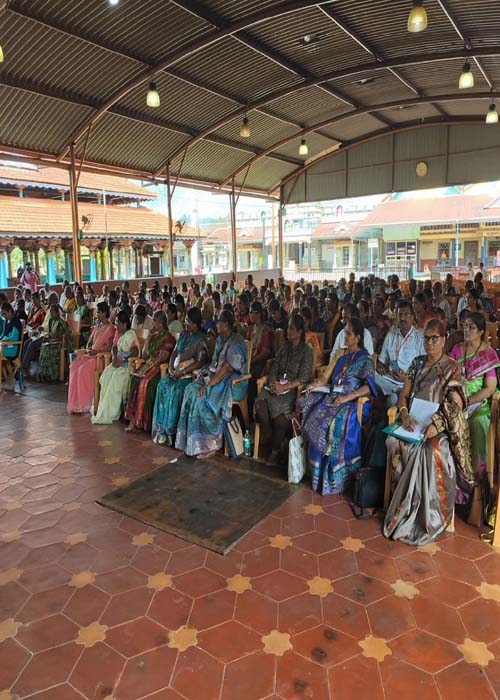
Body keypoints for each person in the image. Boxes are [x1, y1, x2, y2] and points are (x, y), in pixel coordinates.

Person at [383, 319, 474, 546]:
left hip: (438, 426)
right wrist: (404, 414)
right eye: (426, 338)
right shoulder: (417, 363)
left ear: (444, 340)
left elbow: (455, 405)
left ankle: (429, 515)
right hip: (413, 422)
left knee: (431, 451)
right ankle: (401, 506)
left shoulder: (452, 368)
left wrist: (436, 425)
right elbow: (404, 394)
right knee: (393, 441)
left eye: (435, 338)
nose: (430, 343)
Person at [300, 317, 376, 495]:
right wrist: (313, 385)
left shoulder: (365, 359)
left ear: (357, 338)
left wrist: (347, 397)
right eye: (345, 332)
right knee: (310, 409)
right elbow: (325, 378)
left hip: (353, 402)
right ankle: (316, 473)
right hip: (333, 395)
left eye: (348, 334)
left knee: (336, 424)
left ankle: (336, 479)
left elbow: (368, 387)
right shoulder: (340, 355)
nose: (345, 336)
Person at [175, 309, 248, 459]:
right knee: (190, 389)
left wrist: (208, 386)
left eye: (219, 322)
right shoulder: (220, 339)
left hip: (232, 381)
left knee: (203, 398)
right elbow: (214, 364)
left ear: (226, 325)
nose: (216, 324)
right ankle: (190, 441)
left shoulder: (236, 342)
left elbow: (227, 369)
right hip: (216, 377)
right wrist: (204, 375)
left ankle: (211, 444)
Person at [449, 312, 499, 520]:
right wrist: (457, 398)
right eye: (465, 326)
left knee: (478, 426)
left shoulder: (489, 355)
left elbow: (490, 388)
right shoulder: (457, 349)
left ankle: (476, 490)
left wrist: (469, 402)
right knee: (448, 424)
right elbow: (449, 377)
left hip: (478, 405)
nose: (467, 330)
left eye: (471, 327)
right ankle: (451, 489)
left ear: (480, 332)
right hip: (456, 400)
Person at [254, 314, 313, 467]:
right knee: (260, 405)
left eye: (291, 328)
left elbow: (304, 377)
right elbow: (274, 367)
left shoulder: (306, 351)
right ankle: (271, 439)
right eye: (288, 327)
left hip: (291, 390)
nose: (288, 330)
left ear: (299, 332)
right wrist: (273, 383)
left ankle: (274, 451)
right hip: (276, 386)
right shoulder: (284, 347)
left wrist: (285, 387)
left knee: (281, 419)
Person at [152, 307, 210, 445]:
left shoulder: (201, 339)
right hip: (175, 371)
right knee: (162, 385)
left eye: (188, 322)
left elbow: (199, 362)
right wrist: (171, 368)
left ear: (195, 324)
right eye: (185, 321)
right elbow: (174, 352)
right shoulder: (184, 334)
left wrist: (182, 372)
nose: (185, 324)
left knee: (176, 391)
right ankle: (160, 429)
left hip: (188, 374)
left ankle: (171, 432)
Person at [124, 311, 175, 432]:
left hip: (159, 370)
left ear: (161, 323)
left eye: (155, 322)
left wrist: (149, 368)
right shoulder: (154, 336)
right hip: (149, 365)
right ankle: (134, 419)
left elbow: (162, 358)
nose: (153, 325)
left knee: (145, 383)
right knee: (134, 379)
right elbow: (144, 355)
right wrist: (148, 338)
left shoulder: (168, 338)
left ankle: (141, 422)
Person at [91, 311, 139, 425]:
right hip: (118, 361)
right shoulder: (118, 333)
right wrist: (116, 356)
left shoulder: (130, 334)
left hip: (127, 365)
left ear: (124, 324)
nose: (116, 325)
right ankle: (103, 408)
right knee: (107, 373)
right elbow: (114, 347)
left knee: (116, 377)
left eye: (118, 323)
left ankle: (112, 412)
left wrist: (123, 360)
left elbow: (135, 351)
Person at [67, 302, 115, 414]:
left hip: (101, 358)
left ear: (104, 313)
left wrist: (97, 351)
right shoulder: (97, 326)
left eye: (98, 312)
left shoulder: (111, 328)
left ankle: (84, 404)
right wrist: (89, 346)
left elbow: (110, 348)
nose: (96, 314)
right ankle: (75, 403)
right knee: (74, 366)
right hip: (91, 355)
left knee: (82, 370)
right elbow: (90, 341)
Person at [376, 301, 425, 406]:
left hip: (409, 383)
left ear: (412, 317)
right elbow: (381, 361)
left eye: (406, 315)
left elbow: (423, 370)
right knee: (371, 373)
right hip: (390, 379)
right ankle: (395, 390)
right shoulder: (391, 335)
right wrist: (380, 368)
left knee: (392, 400)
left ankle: (395, 392)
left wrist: (407, 378)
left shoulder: (420, 338)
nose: (403, 318)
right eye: (400, 315)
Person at [36, 304, 73, 382]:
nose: (51, 314)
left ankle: (53, 374)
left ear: (57, 312)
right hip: (53, 341)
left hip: (62, 342)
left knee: (48, 349)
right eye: (50, 312)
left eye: (53, 312)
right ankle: (44, 374)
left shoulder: (61, 322)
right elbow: (50, 333)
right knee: (43, 346)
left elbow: (66, 335)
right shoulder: (50, 321)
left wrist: (54, 339)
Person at [0, 303, 23, 390]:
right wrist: (1, 339)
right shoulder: (6, 321)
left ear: (10, 311)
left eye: (5, 314)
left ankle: (9, 378)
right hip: (6, 345)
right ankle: (10, 377)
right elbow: (3, 334)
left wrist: (3, 340)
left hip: (13, 347)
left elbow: (14, 337)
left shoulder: (16, 321)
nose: (4, 316)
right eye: (2, 314)